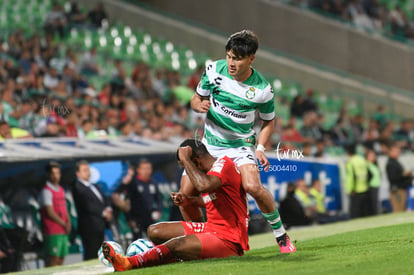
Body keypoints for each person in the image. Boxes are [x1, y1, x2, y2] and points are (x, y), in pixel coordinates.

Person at [182, 29, 295, 253]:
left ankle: (280, 235)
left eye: (238, 58)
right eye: (229, 56)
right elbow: (197, 98)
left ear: (251, 58)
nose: (231, 63)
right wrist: (198, 105)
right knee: (186, 195)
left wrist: (261, 148)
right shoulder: (214, 69)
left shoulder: (262, 90)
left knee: (252, 186)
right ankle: (202, 242)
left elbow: (268, 121)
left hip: (240, 146)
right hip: (210, 144)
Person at [101, 139, 251, 271]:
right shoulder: (210, 172)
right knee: (155, 231)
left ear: (196, 161)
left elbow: (204, 186)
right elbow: (215, 201)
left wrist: (185, 159)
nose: (186, 171)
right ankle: (177, 255)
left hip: (229, 238)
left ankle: (129, 263)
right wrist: (189, 201)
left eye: (186, 167)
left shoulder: (224, 164)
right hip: (212, 228)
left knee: (177, 244)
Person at [72, 160, 113, 260]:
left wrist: (108, 209)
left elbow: (104, 199)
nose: (88, 172)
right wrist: (103, 213)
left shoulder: (94, 186)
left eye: (88, 170)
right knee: (91, 252)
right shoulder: (77, 188)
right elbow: (87, 205)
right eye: (84, 170)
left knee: (101, 251)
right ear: (78, 173)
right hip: (89, 226)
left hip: (100, 225)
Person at [39, 162, 71, 266]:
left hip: (63, 231)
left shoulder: (61, 190)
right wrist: (63, 223)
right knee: (53, 260)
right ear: (48, 175)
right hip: (52, 231)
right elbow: (50, 212)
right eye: (53, 173)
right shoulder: (46, 191)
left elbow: (65, 209)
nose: (56, 176)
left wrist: (69, 222)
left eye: (58, 173)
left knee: (61, 259)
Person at [126, 159, 163, 239]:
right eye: (144, 169)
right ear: (138, 170)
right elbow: (128, 201)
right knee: (138, 239)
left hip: (150, 216)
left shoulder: (153, 183)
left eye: (148, 168)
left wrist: (158, 210)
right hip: (137, 217)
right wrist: (129, 218)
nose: (146, 171)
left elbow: (159, 198)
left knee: (153, 238)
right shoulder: (133, 183)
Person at [386, 142, 413, 212]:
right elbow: (394, 177)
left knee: (402, 208)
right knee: (398, 209)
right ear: (390, 152)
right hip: (397, 190)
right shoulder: (390, 163)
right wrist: (404, 174)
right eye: (396, 151)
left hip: (401, 189)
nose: (398, 152)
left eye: (398, 151)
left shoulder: (396, 162)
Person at [345, 144, 370, 218]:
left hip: (355, 190)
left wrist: (352, 189)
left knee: (355, 212)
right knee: (364, 212)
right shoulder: (362, 160)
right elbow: (368, 173)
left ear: (348, 152)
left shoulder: (351, 162)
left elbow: (352, 176)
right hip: (364, 188)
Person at [366, 149, 381, 215]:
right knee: (372, 204)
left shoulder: (375, 165)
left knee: (376, 203)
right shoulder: (366, 165)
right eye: (371, 155)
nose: (373, 157)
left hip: (376, 186)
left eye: (373, 155)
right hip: (370, 187)